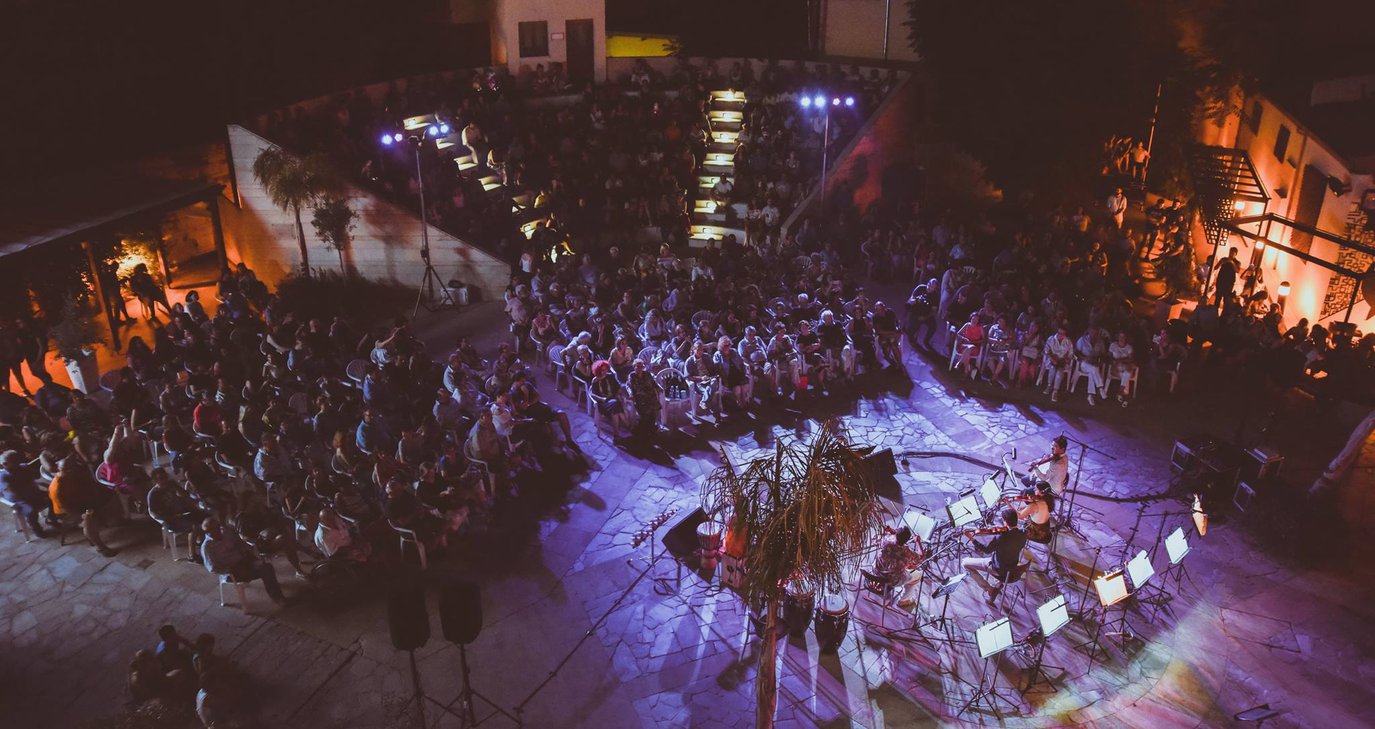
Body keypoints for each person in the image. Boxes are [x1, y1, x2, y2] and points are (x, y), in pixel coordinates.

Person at [200, 517, 287, 605]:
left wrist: (250, 552)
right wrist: (231, 570)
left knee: (266, 567)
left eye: (218, 527)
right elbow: (212, 568)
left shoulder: (226, 532)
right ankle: (279, 599)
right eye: (215, 529)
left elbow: (240, 543)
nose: (219, 530)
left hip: (244, 561)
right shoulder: (207, 547)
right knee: (265, 570)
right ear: (208, 532)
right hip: (233, 572)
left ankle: (276, 594)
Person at [49, 456, 117, 556]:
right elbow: (65, 508)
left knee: (112, 495)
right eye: (68, 469)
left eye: (73, 467)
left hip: (81, 502)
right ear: (60, 469)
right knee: (88, 521)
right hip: (67, 512)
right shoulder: (57, 488)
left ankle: (114, 519)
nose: (72, 470)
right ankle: (100, 547)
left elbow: (90, 486)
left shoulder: (75, 474)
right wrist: (83, 515)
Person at [961, 509, 1028, 606]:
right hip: (1013, 568)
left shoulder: (1001, 537)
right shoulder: (1024, 533)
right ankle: (998, 583)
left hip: (999, 569)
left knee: (965, 563)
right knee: (1000, 555)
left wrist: (971, 538)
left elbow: (986, 550)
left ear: (1005, 522)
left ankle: (989, 589)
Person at [0, 449, 53, 537]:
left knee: (53, 497)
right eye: (13, 462)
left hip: (31, 492)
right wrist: (31, 492)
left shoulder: (24, 467)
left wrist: (35, 486)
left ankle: (52, 518)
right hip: (18, 499)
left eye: (16, 461)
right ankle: (36, 529)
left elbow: (35, 477)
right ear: (4, 464)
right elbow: (14, 492)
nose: (17, 464)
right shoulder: (3, 476)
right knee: (31, 511)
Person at [872, 526, 923, 608]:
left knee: (901, 566)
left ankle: (880, 584)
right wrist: (918, 542)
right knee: (918, 574)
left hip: (876, 574)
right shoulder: (907, 551)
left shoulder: (885, 542)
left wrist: (888, 532)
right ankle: (903, 600)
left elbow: (874, 539)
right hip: (892, 580)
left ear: (896, 535)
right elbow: (921, 557)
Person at [1108, 331, 1137, 406]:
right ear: (1118, 337)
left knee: (1127, 373)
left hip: (1124, 368)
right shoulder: (1113, 345)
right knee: (1126, 373)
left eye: (1123, 337)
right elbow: (1109, 357)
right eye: (1120, 336)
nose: (1121, 338)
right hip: (1115, 368)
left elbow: (1131, 359)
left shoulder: (1129, 347)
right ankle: (1122, 394)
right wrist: (1117, 361)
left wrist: (1122, 361)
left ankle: (1120, 393)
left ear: (1126, 338)